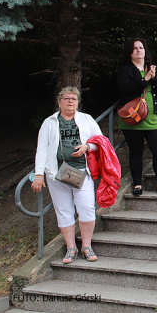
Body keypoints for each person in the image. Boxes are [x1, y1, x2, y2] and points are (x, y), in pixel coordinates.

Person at [32, 87, 102, 264]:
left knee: (86, 209)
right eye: (66, 98)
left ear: (78, 102)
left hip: (82, 173)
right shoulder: (49, 122)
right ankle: (71, 248)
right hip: (56, 175)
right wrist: (39, 174)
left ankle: (86, 246)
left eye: (74, 98)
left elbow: (100, 141)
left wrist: (87, 147)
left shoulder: (86, 119)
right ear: (59, 102)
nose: (70, 101)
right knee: (64, 212)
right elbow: (42, 148)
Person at [117, 38, 157, 195]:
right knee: (136, 151)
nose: (138, 50)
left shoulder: (153, 68)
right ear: (130, 52)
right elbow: (125, 89)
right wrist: (145, 79)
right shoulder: (125, 70)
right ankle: (137, 184)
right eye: (135, 48)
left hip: (153, 118)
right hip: (132, 118)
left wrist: (154, 77)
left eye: (141, 47)